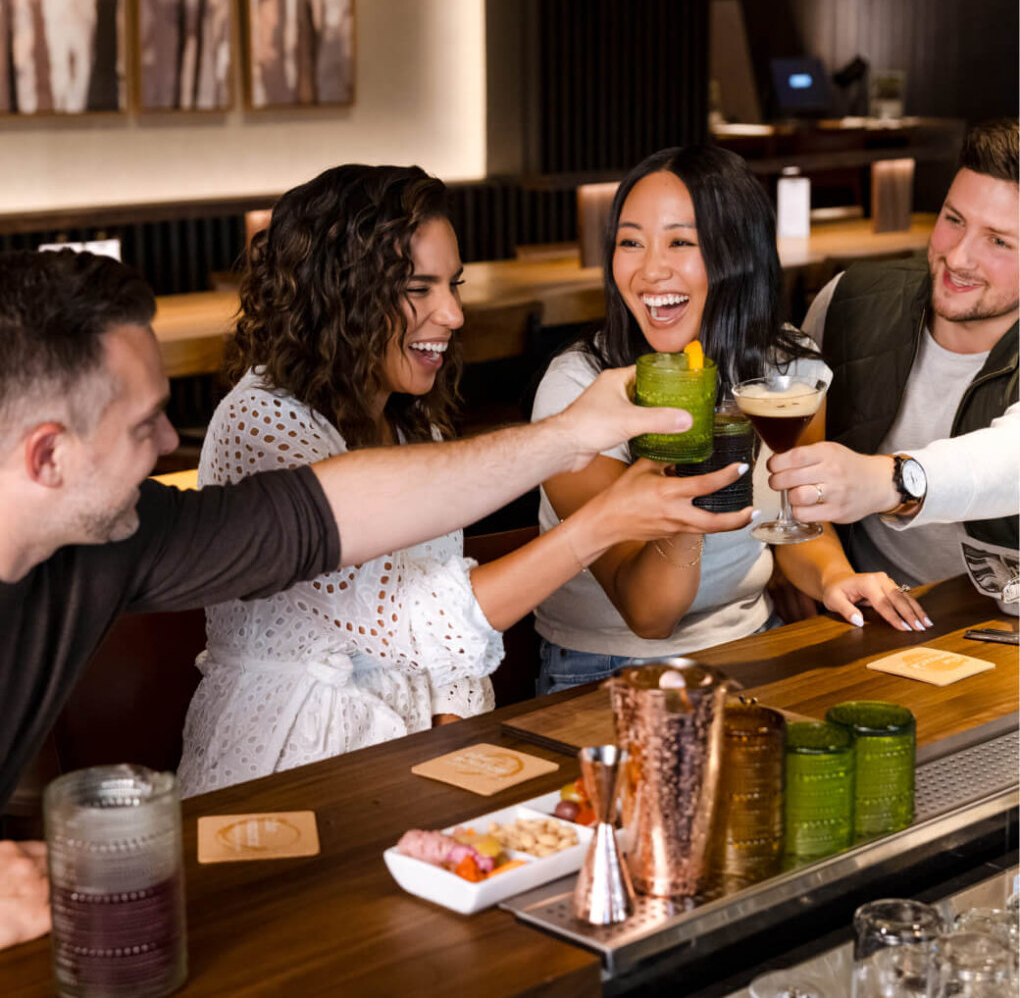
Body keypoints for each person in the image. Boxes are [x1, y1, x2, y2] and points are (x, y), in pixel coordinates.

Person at [0, 247, 695, 948]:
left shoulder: (117, 536)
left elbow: (332, 510)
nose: (164, 446)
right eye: (146, 422)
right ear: (47, 456)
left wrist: (566, 436)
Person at [176, 164, 754, 796]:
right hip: (285, 772)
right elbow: (417, 620)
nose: (452, 314)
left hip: (414, 761)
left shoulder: (409, 426)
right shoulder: (262, 422)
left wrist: (458, 769)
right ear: (335, 295)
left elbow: (446, 657)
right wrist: (601, 522)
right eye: (418, 289)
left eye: (452, 285)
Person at [531, 145, 931, 693]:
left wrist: (837, 577)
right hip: (605, 670)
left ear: (736, 253)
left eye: (681, 241)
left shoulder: (787, 368)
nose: (650, 270)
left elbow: (790, 518)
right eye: (630, 242)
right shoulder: (577, 391)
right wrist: (687, 447)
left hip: (753, 640)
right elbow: (650, 615)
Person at [768, 118, 1019, 588]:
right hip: (865, 614)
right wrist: (802, 574)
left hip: (997, 622)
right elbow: (787, 468)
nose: (959, 257)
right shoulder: (849, 300)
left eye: (999, 241)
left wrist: (890, 481)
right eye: (953, 220)